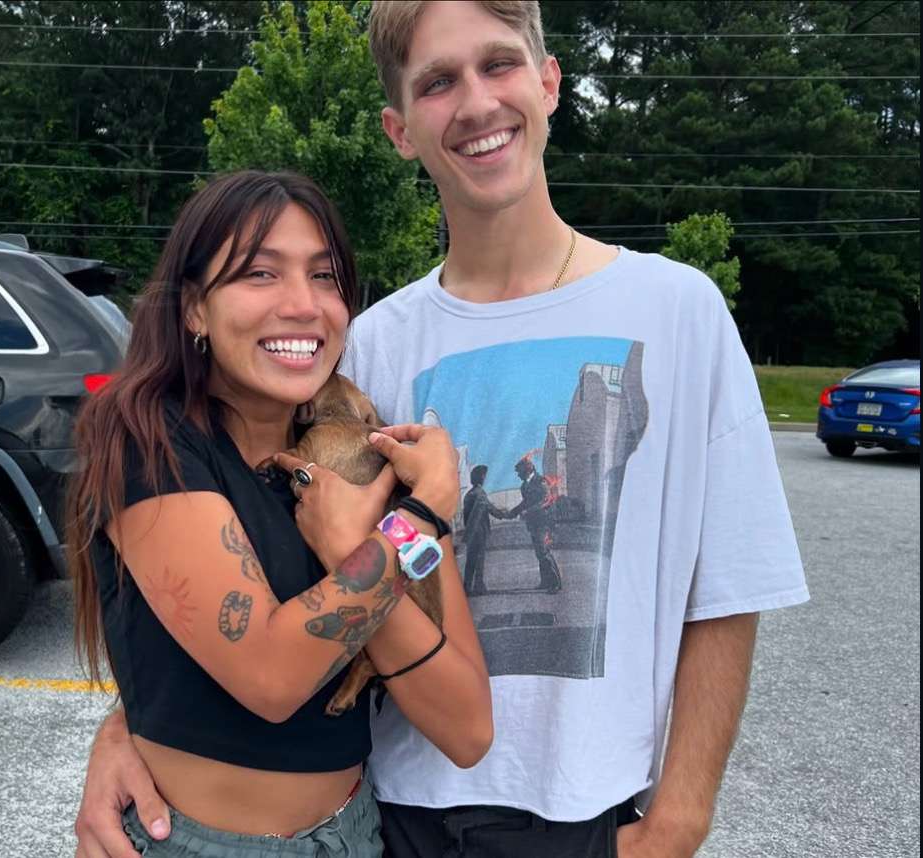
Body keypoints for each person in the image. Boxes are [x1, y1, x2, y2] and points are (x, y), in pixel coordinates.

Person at [74, 4, 810, 857]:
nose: (474, 103)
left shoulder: (678, 310)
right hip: (392, 814)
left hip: (591, 819)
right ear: (399, 129)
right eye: (436, 82)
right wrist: (130, 727)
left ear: (548, 80)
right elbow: (251, 569)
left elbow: (727, 586)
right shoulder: (368, 346)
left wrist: (679, 821)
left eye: (498, 65)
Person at [67, 169, 491, 858]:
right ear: (195, 308)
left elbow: (467, 727)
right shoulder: (147, 439)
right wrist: (414, 523)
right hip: (198, 843)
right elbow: (270, 677)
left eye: (325, 278)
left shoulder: (358, 460)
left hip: (354, 835)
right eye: (260, 274)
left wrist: (357, 536)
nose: (303, 304)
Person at [505, 457, 561, 593]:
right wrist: (510, 513)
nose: (518, 475)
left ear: (527, 470)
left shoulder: (541, 481)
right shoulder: (524, 486)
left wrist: (527, 511)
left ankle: (555, 584)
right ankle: (545, 581)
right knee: (539, 553)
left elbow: (545, 501)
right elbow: (525, 503)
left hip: (544, 522)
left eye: (519, 472)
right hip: (533, 524)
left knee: (544, 551)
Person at [460, 464, 507, 595]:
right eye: (484, 476)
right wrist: (504, 514)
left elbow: (466, 516)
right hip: (479, 532)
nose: (485, 478)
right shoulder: (480, 494)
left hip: (471, 533)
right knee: (479, 560)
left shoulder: (468, 494)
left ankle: (467, 586)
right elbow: (490, 509)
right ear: (480, 478)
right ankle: (478, 586)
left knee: (470, 560)